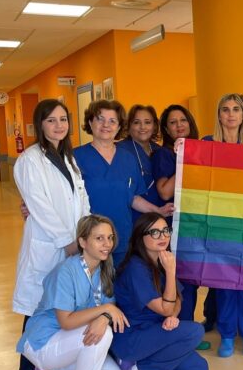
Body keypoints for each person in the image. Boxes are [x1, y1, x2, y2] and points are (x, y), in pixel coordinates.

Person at [13, 98, 91, 370]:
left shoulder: (69, 158)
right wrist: (66, 241)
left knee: (64, 304)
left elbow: (81, 198)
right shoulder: (29, 160)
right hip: (49, 245)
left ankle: (54, 369)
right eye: (51, 120)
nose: (59, 125)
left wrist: (85, 233)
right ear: (40, 125)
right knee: (38, 307)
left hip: (73, 242)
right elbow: (39, 205)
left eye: (63, 119)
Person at [16, 215, 128, 370]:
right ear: (82, 242)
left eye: (110, 238)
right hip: (44, 342)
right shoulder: (66, 271)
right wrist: (105, 311)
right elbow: (66, 322)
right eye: (99, 238)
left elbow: (108, 306)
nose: (107, 244)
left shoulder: (104, 269)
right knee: (105, 334)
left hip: (73, 343)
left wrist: (104, 316)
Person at [111, 213, 209, 370]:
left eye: (165, 231)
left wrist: (173, 316)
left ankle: (141, 365)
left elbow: (177, 299)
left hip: (156, 332)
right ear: (140, 237)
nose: (162, 236)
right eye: (154, 232)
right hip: (133, 337)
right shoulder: (136, 267)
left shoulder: (161, 259)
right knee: (195, 331)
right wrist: (171, 271)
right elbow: (165, 308)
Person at [74, 100, 173, 267]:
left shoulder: (127, 158)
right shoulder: (75, 157)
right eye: (100, 119)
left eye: (112, 121)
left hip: (121, 238)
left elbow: (133, 197)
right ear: (90, 122)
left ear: (119, 126)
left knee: (120, 281)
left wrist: (158, 210)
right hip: (90, 239)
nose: (106, 125)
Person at [208, 94, 243, 357]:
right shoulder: (207, 145)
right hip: (218, 223)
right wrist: (181, 150)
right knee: (225, 283)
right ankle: (227, 335)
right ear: (219, 115)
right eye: (225, 110)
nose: (231, 114)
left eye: (236, 110)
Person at [151, 104, 201, 322]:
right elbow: (164, 192)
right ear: (166, 129)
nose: (179, 125)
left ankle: (190, 324)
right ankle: (182, 325)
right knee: (181, 279)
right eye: (172, 122)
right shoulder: (163, 155)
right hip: (176, 227)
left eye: (183, 120)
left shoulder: (201, 149)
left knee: (193, 279)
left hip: (197, 225)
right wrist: (183, 159)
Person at [116, 104, 162, 221]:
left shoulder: (159, 150)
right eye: (136, 122)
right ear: (129, 126)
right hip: (133, 214)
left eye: (147, 122)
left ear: (154, 126)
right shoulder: (120, 150)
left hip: (159, 213)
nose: (142, 127)